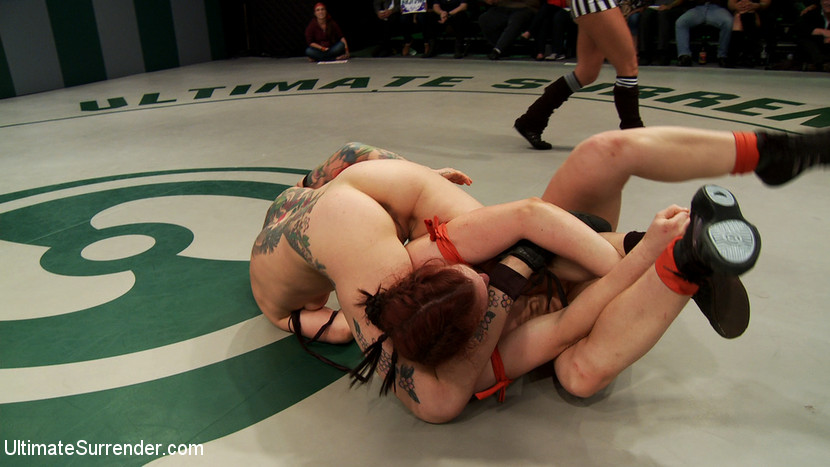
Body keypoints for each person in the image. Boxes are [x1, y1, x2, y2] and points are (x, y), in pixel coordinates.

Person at [250, 127, 830, 423]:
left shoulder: (414, 238)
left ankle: (765, 155)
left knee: (597, 158)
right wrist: (512, 277)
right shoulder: (375, 246)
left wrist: (633, 253)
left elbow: (531, 222)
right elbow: (435, 399)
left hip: (535, 265)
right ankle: (685, 261)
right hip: (547, 295)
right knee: (577, 370)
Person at [512, 0, 645, 151]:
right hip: (596, 3)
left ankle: (531, 121)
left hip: (591, 4)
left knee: (587, 72)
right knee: (628, 67)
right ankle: (633, 135)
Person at [674, 0, 734, 67]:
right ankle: (684, 56)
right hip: (698, 8)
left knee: (728, 22)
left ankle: (722, 56)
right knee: (681, 22)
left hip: (717, 8)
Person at [638, 0, 688, 65]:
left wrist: (669, 6)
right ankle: (644, 53)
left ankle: (662, 53)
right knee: (645, 15)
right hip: (656, 6)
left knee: (663, 15)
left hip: (675, 7)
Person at [727, 0, 772, 67]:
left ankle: (735, 56)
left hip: (761, 11)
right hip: (740, 12)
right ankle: (747, 55)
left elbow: (765, 3)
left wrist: (756, 6)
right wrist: (737, 6)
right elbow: (731, 3)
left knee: (746, 16)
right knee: (740, 17)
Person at [795, 0, 830, 72]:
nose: (826, 3)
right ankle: (821, 63)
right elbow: (799, 28)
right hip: (817, 48)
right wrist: (821, 32)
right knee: (804, 40)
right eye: (824, 0)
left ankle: (820, 64)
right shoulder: (812, 13)